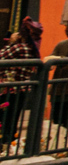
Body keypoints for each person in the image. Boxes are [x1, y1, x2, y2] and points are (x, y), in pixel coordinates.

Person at [0, 19, 42, 150]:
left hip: (9, 90)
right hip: (22, 90)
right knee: (13, 119)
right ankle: (9, 145)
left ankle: (4, 144)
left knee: (4, 118)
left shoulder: (19, 48)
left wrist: (10, 44)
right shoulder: (33, 49)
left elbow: (1, 57)